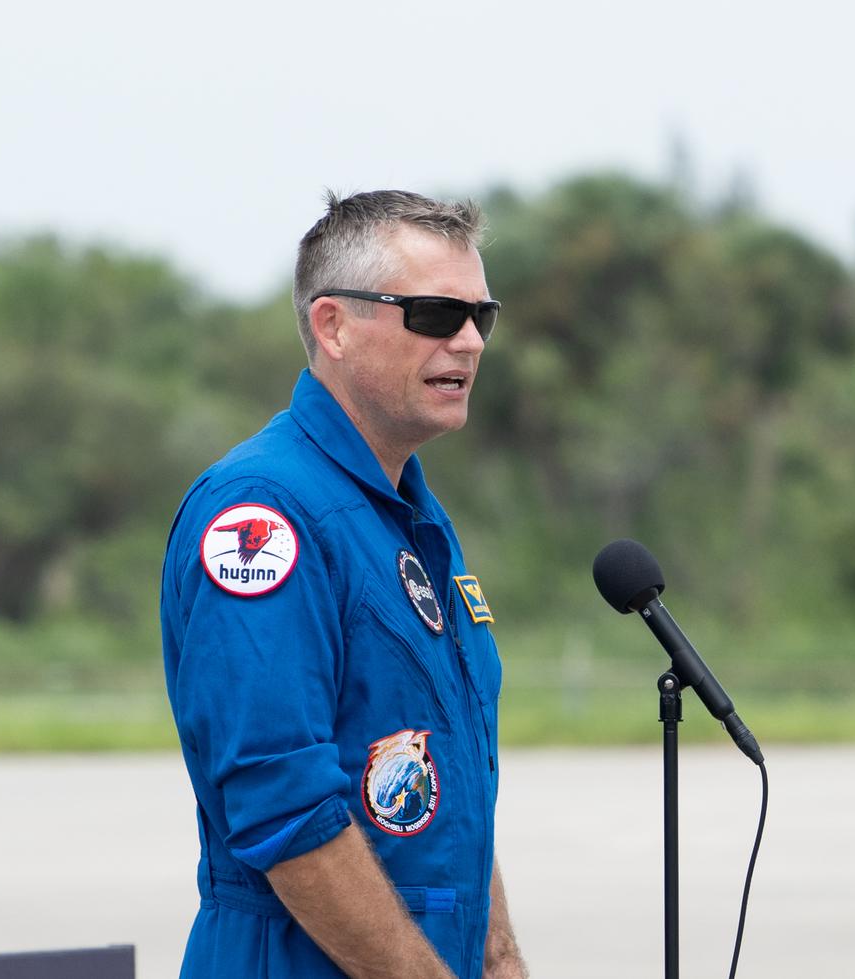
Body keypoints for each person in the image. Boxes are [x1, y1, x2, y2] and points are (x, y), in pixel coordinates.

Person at [160, 190, 527, 978]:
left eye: (480, 316)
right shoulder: (263, 513)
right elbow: (283, 804)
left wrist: (498, 956)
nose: (468, 340)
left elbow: (447, 780)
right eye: (435, 313)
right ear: (332, 325)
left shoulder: (408, 513)